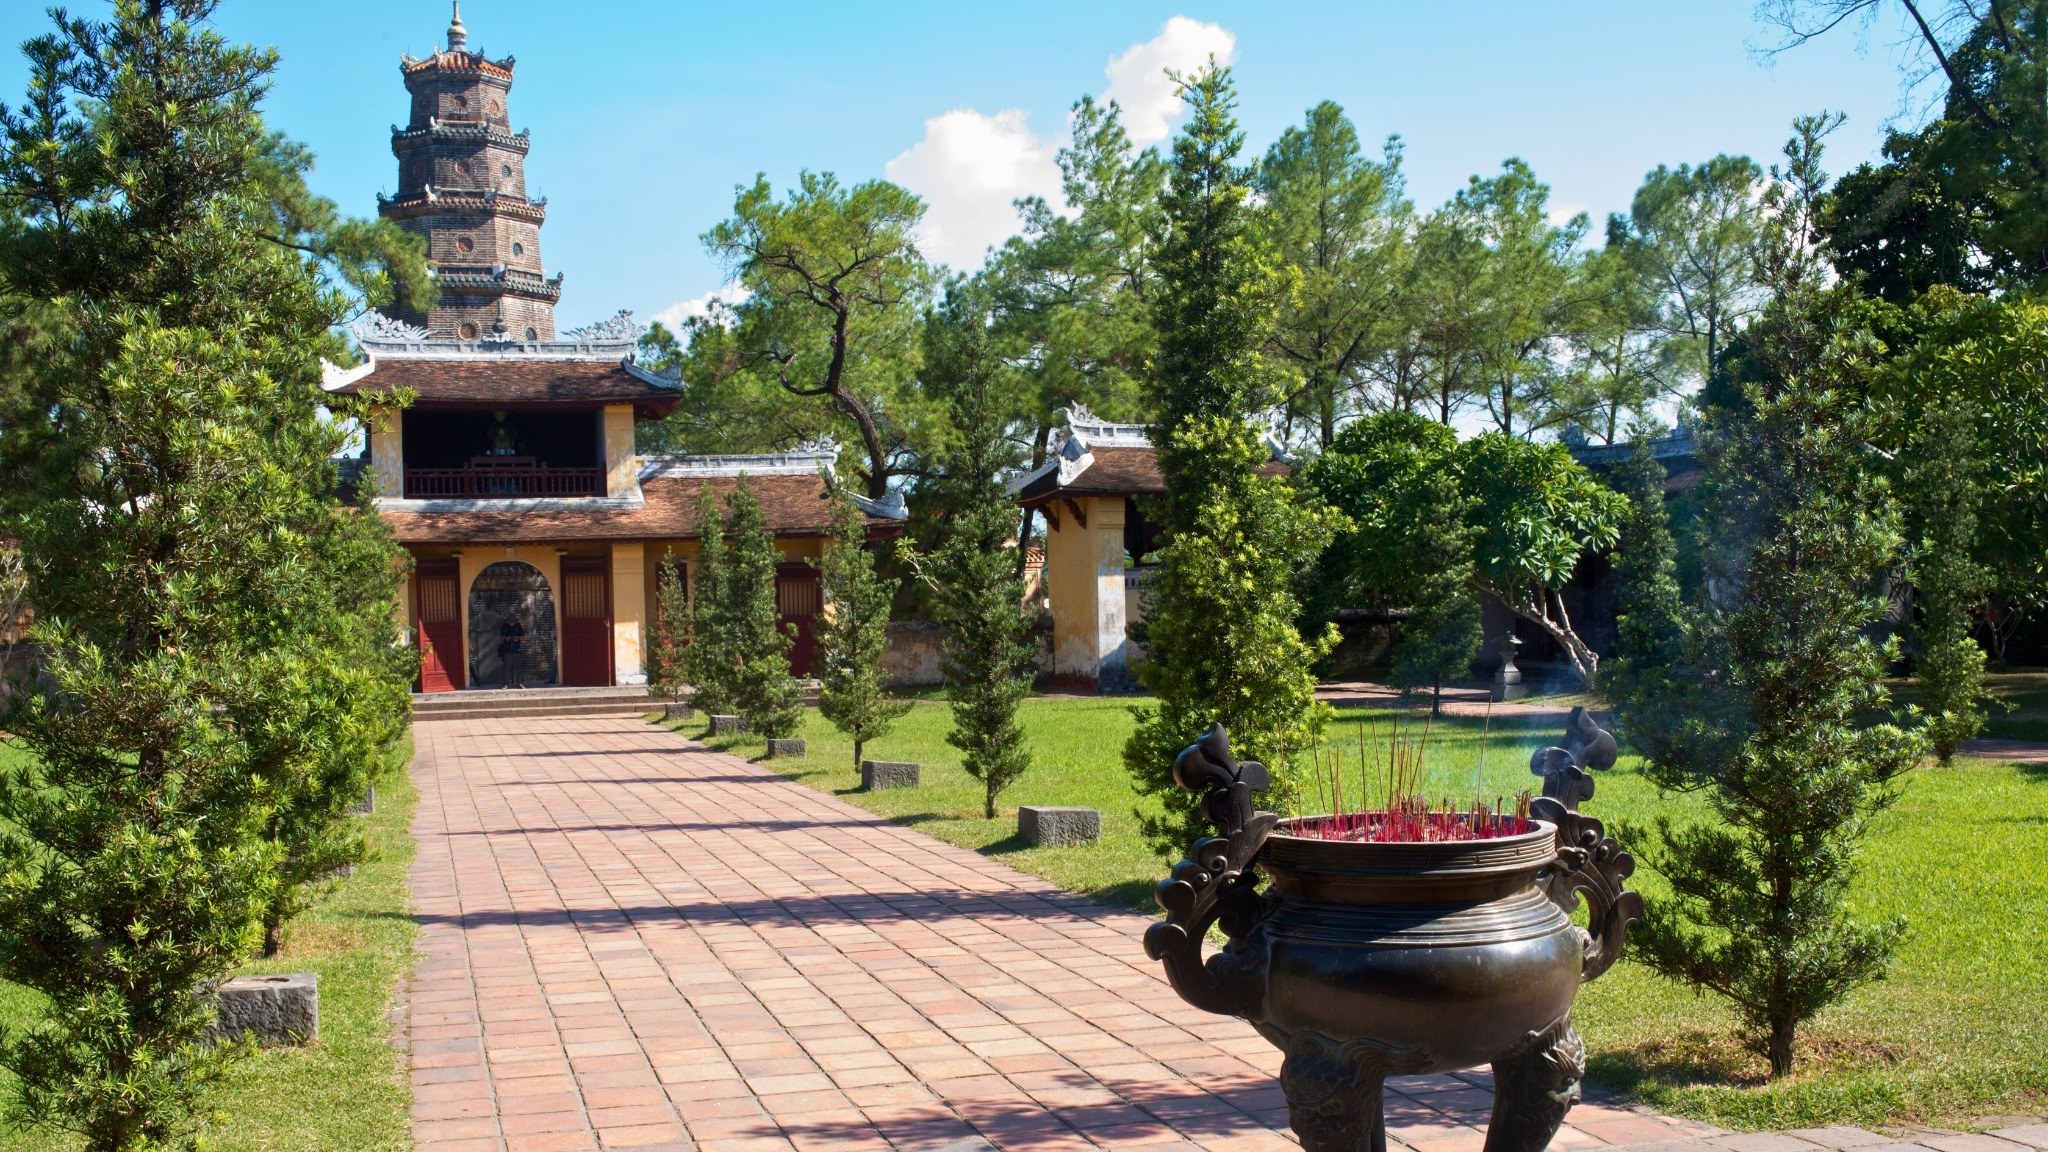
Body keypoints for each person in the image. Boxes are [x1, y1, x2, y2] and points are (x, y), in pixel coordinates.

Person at [499, 614, 526, 689]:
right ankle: (505, 684)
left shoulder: (518, 626)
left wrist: (517, 638)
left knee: (518, 667)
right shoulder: (504, 626)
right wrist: (506, 638)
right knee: (506, 667)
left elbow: (523, 637)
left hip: (516, 649)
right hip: (507, 649)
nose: (511, 623)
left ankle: (519, 683)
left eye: (512, 622)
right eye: (510, 622)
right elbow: (500, 636)